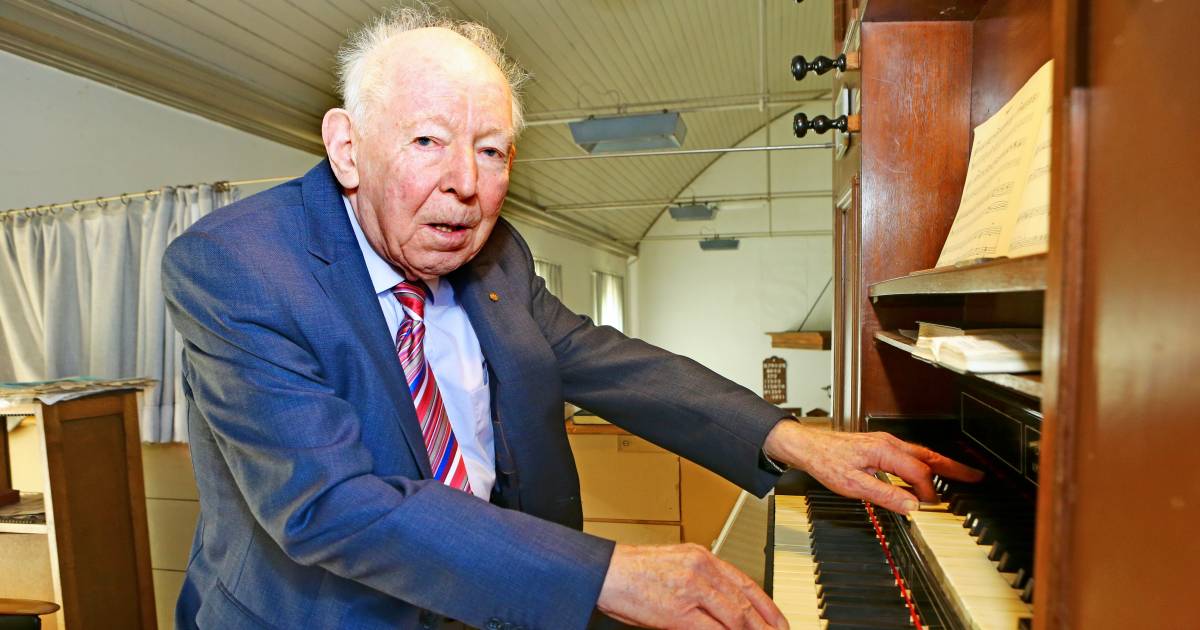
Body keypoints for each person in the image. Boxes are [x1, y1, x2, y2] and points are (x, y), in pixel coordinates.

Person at [163, 6, 981, 630]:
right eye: (427, 141)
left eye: (491, 151)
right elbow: (332, 506)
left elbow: (608, 360)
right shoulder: (240, 269)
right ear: (347, 146)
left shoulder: (497, 256)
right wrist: (610, 574)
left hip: (502, 593)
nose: (466, 185)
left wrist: (788, 437)